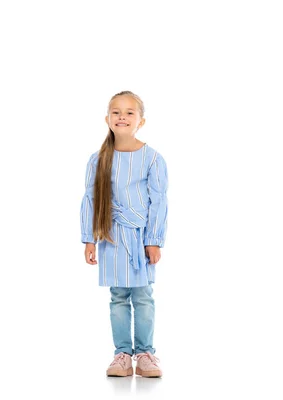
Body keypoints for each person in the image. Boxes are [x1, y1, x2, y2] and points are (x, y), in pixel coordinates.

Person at [80, 90, 168, 378]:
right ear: (107, 119)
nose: (122, 117)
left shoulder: (152, 158)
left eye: (130, 112)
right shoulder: (98, 159)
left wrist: (153, 240)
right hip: (111, 236)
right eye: (116, 112)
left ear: (140, 121)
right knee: (118, 296)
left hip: (139, 237)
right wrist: (90, 238)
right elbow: (91, 199)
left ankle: (145, 353)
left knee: (143, 296)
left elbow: (159, 201)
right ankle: (122, 354)